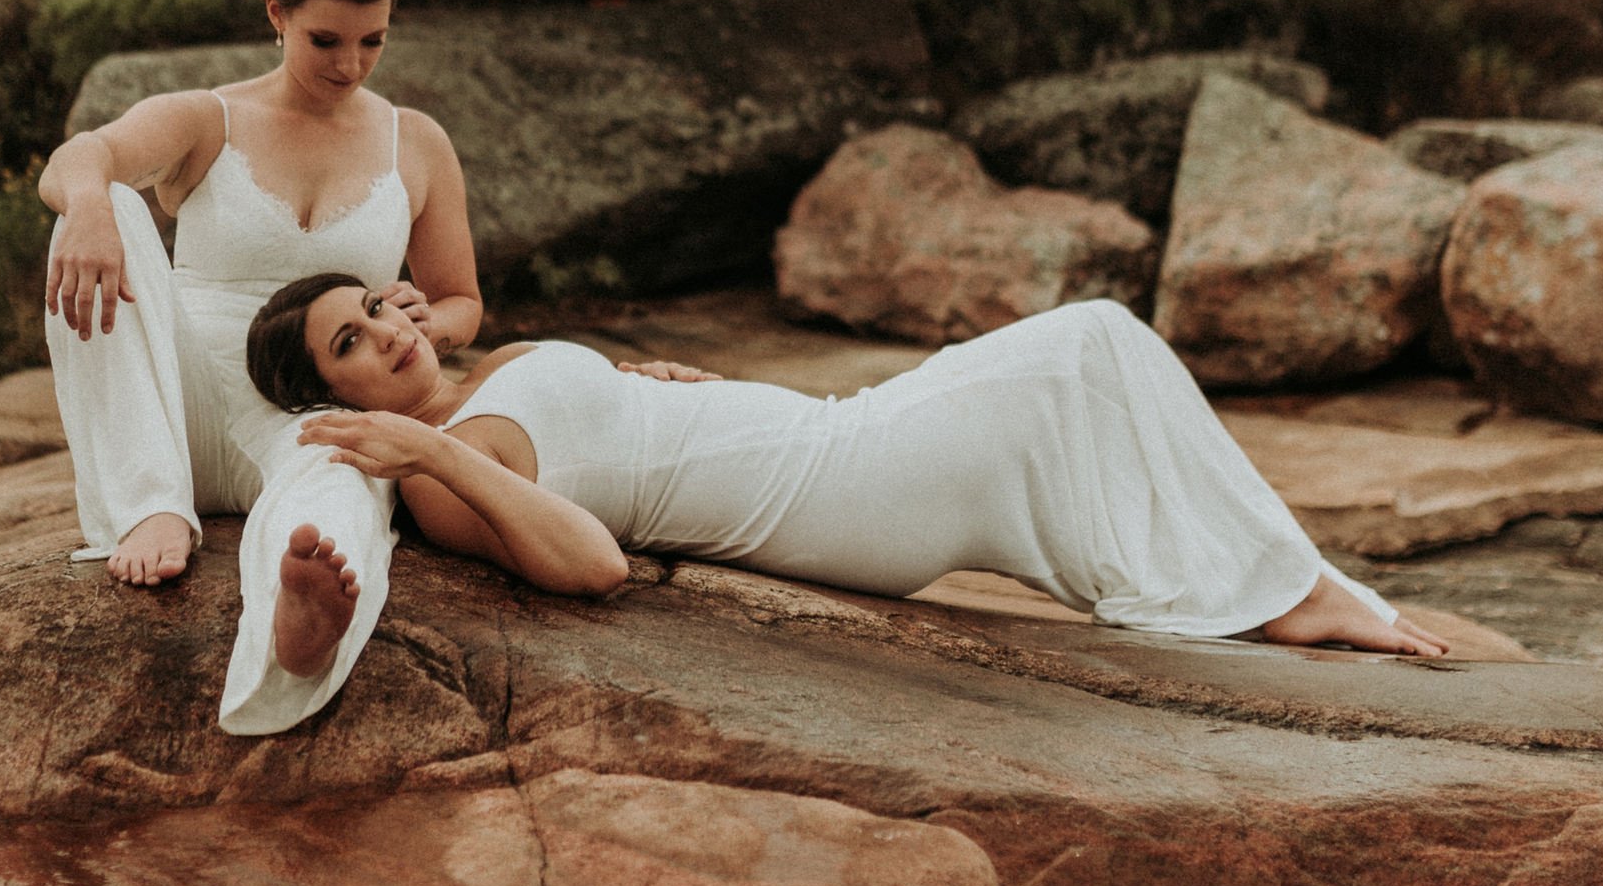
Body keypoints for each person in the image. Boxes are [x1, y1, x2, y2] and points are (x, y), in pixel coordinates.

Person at [243, 278, 1449, 658]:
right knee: (1091, 340)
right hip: (845, 492)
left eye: (372, 309)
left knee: (1090, 366)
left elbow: (598, 422)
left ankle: (1267, 585)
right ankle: (1295, 594)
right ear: (329, 400)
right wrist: (422, 454)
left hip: (834, 429)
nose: (387, 333)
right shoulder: (447, 473)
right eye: (350, 346)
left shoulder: (474, 383)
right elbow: (594, 566)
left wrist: (641, 383)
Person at [39, 0, 482, 720]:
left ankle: (296, 640)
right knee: (101, 207)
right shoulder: (209, 118)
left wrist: (434, 325)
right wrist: (93, 207)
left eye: (373, 40)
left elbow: (462, 302)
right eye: (326, 39)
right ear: (276, 14)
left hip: (312, 410)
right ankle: (150, 508)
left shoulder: (415, 142)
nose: (350, 65)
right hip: (175, 404)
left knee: (343, 495)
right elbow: (83, 155)